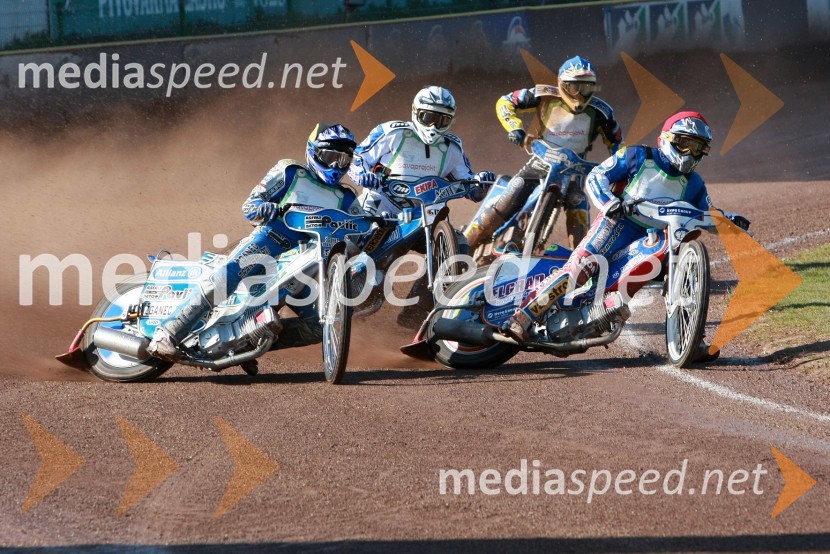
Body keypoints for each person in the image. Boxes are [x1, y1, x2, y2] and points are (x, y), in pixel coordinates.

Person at [504, 111, 747, 351]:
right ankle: (523, 316)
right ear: (666, 138)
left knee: (685, 275)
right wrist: (610, 202)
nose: (689, 153)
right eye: (684, 143)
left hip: (654, 238)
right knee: (578, 269)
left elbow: (708, 214)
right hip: (615, 225)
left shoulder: (695, 184)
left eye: (697, 147)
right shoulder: (637, 156)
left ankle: (693, 340)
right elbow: (597, 176)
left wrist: (729, 221)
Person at [148, 123, 362, 360]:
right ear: (313, 152)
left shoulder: (348, 197)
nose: (336, 166)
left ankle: (247, 344)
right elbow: (250, 206)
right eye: (330, 157)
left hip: (305, 263)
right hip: (269, 241)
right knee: (227, 276)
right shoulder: (291, 172)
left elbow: (360, 231)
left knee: (317, 327)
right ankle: (167, 333)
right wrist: (265, 207)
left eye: (343, 160)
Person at [348, 85, 494, 328]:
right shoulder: (393, 133)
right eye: (429, 117)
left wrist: (481, 183)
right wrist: (363, 175)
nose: (434, 126)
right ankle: (326, 288)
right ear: (416, 113)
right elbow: (358, 158)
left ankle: (416, 314)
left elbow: (468, 183)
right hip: (382, 208)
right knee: (355, 245)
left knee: (459, 244)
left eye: (442, 119)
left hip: (424, 216)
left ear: (450, 120)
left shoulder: (452, 146)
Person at [465, 55, 623, 253]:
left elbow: (616, 142)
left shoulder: (602, 112)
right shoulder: (544, 95)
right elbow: (505, 102)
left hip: (575, 170)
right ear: (563, 85)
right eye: (575, 88)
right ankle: (465, 244)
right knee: (513, 192)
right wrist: (514, 128)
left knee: (579, 207)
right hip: (541, 161)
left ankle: (580, 262)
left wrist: (616, 169)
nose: (580, 95)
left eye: (586, 88)